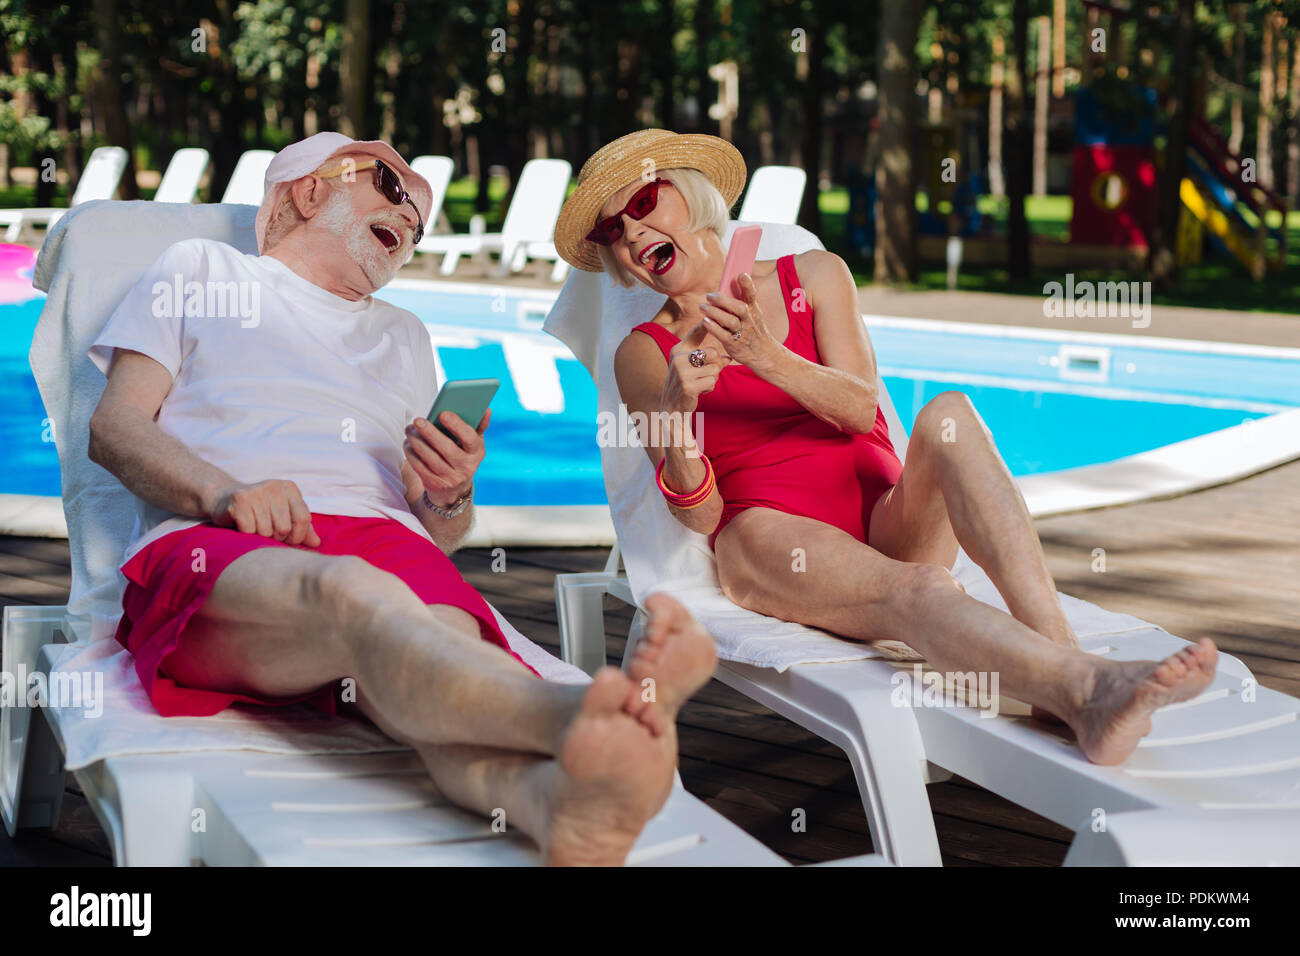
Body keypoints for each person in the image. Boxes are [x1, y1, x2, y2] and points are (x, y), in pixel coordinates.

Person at [87, 131, 718, 865]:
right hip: (222, 541)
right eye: (391, 188)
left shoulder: (405, 334)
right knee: (356, 594)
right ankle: (584, 712)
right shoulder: (200, 270)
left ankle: (557, 811)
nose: (412, 219)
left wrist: (447, 495)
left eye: (420, 221)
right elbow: (115, 426)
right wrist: (225, 493)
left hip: (387, 542)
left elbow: (442, 531)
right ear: (309, 188)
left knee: (441, 677)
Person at [552, 129, 1217, 766]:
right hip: (771, 538)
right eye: (613, 230)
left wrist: (764, 355)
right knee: (921, 588)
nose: (634, 232)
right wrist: (678, 411)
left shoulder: (813, 273)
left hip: (885, 516)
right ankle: (1086, 692)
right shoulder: (644, 356)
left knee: (950, 415)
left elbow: (860, 409)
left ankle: (1061, 659)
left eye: (642, 203)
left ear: (689, 194)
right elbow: (696, 517)